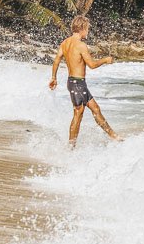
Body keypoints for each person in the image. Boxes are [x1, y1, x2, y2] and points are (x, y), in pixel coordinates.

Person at [49, 15, 121, 146]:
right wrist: (105, 60)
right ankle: (71, 147)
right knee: (78, 114)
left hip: (74, 83)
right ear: (82, 28)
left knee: (95, 109)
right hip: (77, 83)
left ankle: (113, 136)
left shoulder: (65, 43)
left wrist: (54, 77)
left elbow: (57, 60)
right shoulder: (81, 45)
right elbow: (92, 65)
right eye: (87, 29)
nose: (88, 31)